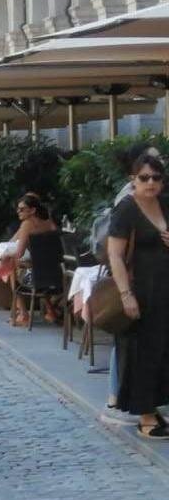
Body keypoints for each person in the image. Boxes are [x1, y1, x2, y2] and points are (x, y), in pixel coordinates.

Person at [107, 153, 169, 440]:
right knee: (143, 352)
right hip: (141, 291)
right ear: (133, 179)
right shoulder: (127, 209)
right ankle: (145, 414)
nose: (151, 183)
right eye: (144, 177)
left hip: (165, 291)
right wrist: (125, 294)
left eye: (156, 177)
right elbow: (115, 255)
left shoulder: (165, 204)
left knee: (163, 351)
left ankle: (155, 407)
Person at [4, 193, 61, 327]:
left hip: (35, 278)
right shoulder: (49, 223)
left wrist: (7, 258)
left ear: (33, 210)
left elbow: (19, 253)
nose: (18, 211)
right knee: (21, 266)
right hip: (57, 276)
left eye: (22, 209)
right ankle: (51, 311)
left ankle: (23, 313)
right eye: (18, 209)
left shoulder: (27, 225)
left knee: (10, 267)